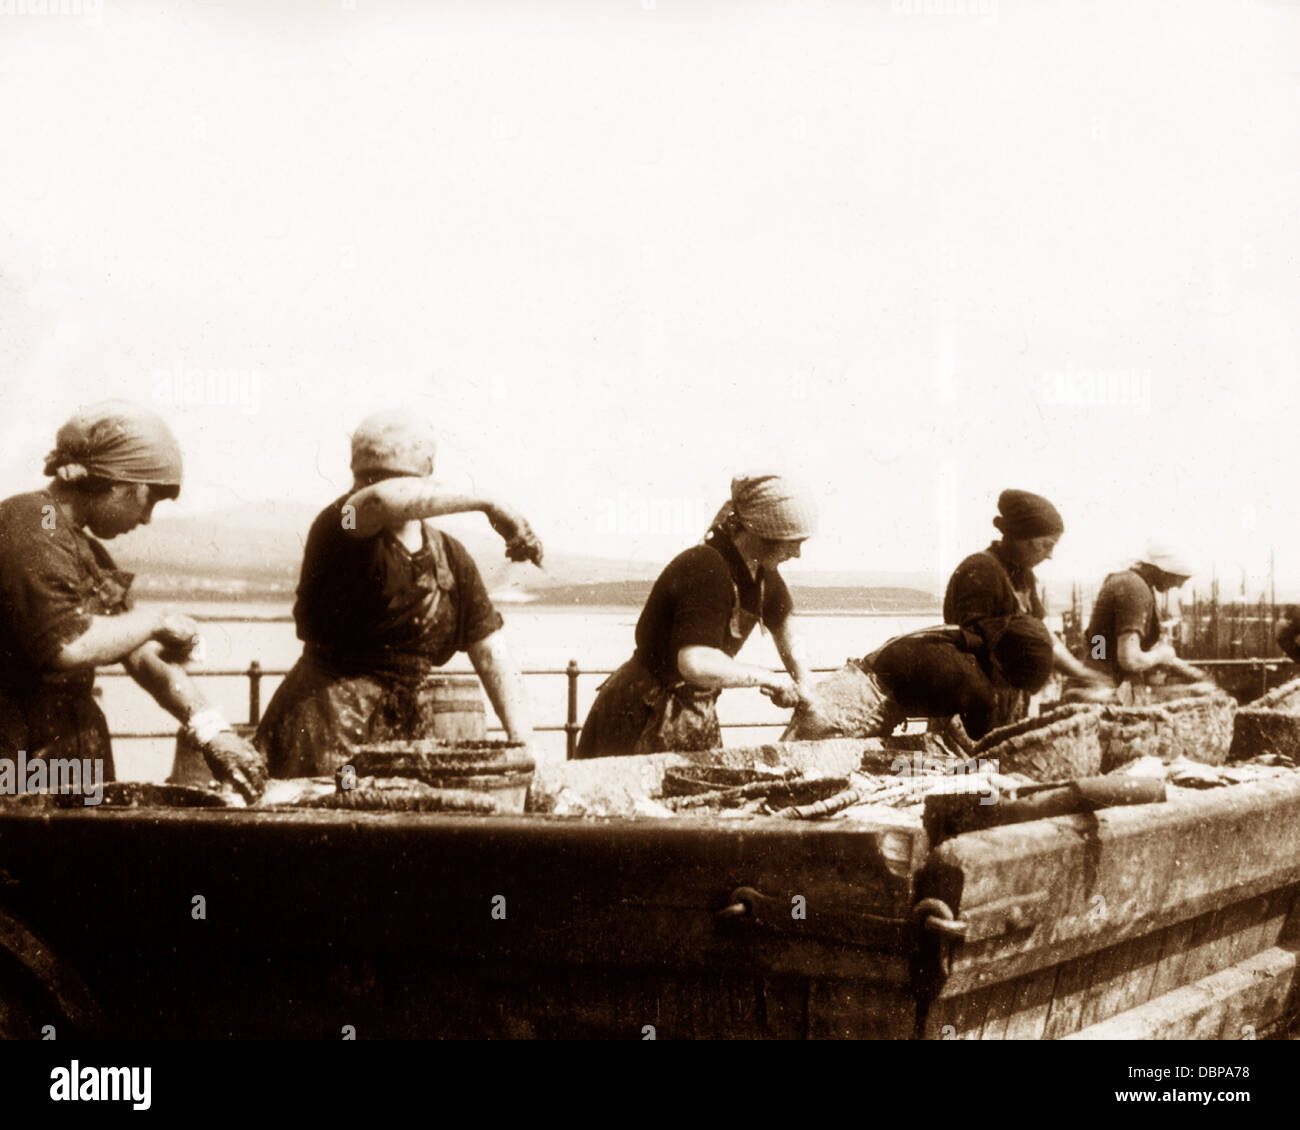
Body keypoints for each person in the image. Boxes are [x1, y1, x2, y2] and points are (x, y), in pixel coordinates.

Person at [0, 401, 266, 801]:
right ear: (120, 483)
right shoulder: (36, 520)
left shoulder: (80, 546)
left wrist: (213, 731)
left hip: (62, 741)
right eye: (149, 501)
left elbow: (141, 656)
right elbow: (67, 645)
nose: (146, 520)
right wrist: (155, 620)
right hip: (17, 741)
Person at [254, 411, 540, 777]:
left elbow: (490, 651)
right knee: (339, 810)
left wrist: (524, 744)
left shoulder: (451, 558)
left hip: (405, 733)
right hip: (326, 729)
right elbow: (380, 502)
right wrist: (489, 503)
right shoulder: (343, 523)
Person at [575, 473, 816, 759]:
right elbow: (696, 662)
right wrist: (769, 679)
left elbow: (785, 623)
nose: (797, 553)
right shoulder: (705, 567)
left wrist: (804, 680)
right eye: (791, 541)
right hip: (644, 710)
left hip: (694, 709)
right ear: (761, 532)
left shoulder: (761, 574)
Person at [942, 489, 1106, 728]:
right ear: (1021, 537)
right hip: (972, 704)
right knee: (974, 763)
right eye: (1045, 545)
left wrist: (1081, 672)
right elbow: (968, 648)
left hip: (1007, 700)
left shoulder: (1023, 576)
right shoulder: (980, 571)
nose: (1050, 555)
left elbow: (1042, 635)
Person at [782, 614, 1055, 749]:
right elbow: (988, 750)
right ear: (1004, 668)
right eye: (1012, 685)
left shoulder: (960, 640)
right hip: (851, 713)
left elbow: (950, 717)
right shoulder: (976, 685)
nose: (1008, 692)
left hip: (837, 691)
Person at [1069, 544, 1209, 704]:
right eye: (1181, 578)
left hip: (1097, 680)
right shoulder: (1135, 590)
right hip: (1106, 690)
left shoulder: (1123, 580)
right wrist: (1161, 655)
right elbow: (1130, 659)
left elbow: (1100, 645)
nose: (1179, 585)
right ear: (1164, 570)